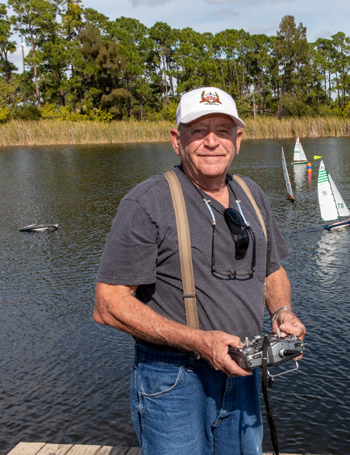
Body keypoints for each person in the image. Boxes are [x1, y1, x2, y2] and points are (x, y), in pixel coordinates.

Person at [93, 86, 306, 455]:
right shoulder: (147, 202)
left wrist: (283, 312)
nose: (212, 142)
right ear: (177, 140)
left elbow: (272, 271)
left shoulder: (252, 194)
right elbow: (108, 304)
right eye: (198, 131)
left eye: (223, 131)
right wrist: (199, 342)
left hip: (242, 368)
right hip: (173, 379)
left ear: (238, 140)